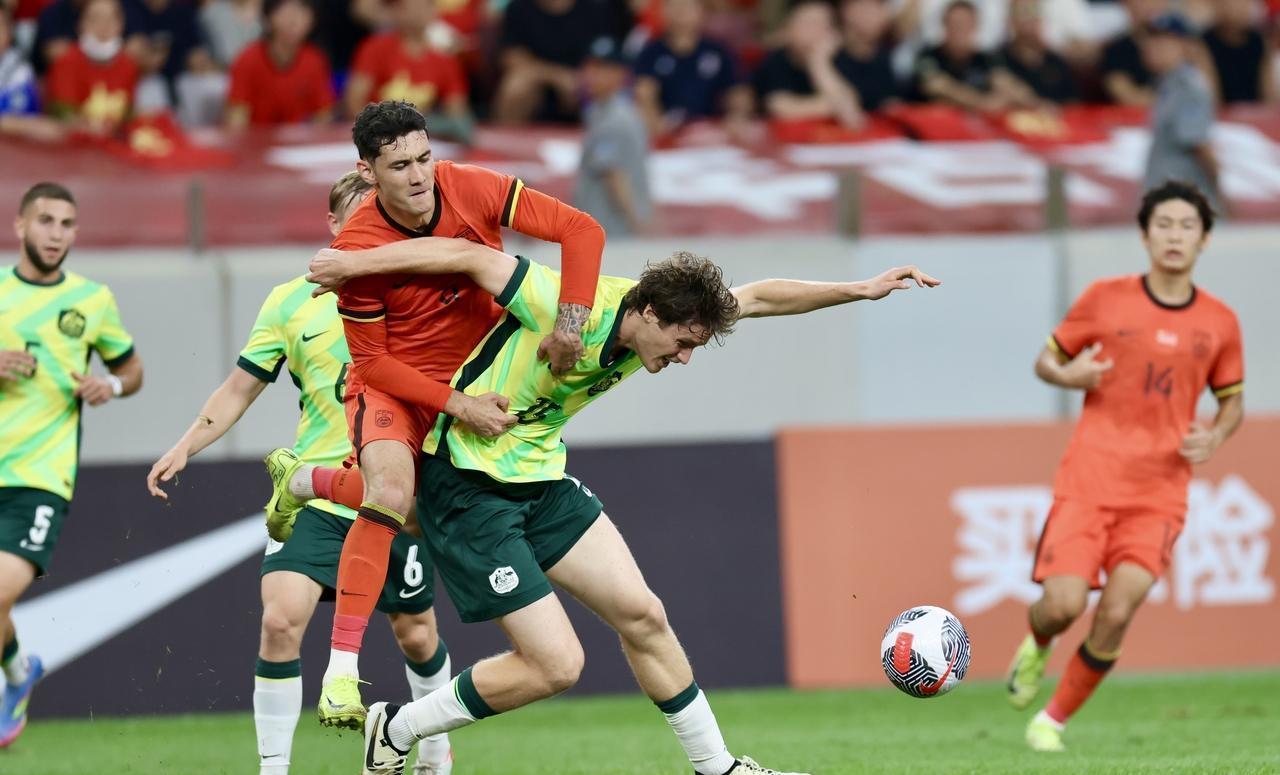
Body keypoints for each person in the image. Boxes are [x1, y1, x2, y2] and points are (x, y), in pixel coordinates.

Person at [303, 237, 939, 775]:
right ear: (649, 312)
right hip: (467, 485)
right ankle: (397, 726)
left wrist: (859, 289)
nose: (685, 357)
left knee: (644, 615)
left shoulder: (663, 321)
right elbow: (467, 256)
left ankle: (717, 767)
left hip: (540, 481)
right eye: (683, 343)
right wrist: (353, 264)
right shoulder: (563, 304)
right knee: (557, 666)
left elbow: (761, 296)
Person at [259, 100, 604, 731]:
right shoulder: (353, 251)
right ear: (367, 173)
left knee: (425, 513)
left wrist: (571, 324)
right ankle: (341, 674)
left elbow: (582, 230)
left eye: (425, 157)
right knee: (391, 494)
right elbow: (374, 365)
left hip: (479, 376)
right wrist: (460, 406)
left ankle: (309, 481)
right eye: (400, 166)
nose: (420, 176)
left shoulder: (471, 186)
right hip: (399, 388)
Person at [145, 173, 454, 775]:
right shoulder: (290, 303)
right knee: (280, 620)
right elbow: (239, 388)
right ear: (334, 225)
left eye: (380, 212)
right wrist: (186, 444)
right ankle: (273, 770)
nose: (370, 223)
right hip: (318, 492)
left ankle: (437, 753)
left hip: (394, 492)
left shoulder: (421, 288)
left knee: (417, 633)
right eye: (357, 214)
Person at [1006, 180, 1244, 753]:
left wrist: (1216, 435)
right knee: (1063, 606)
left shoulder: (1219, 322)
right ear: (1144, 234)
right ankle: (1038, 642)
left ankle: (1052, 721)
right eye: (1164, 225)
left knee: (1117, 612)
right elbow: (1046, 361)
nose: (1174, 236)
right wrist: (1069, 376)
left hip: (1159, 493)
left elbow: (1233, 401)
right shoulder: (1104, 299)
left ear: (1205, 240)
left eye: (1187, 226)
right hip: (1089, 481)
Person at [0, 181, 144, 747]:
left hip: (40, 477)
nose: (56, 234)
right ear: (20, 225)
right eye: (46, 221)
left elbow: (132, 370)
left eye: (66, 224)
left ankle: (16, 676)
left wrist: (111, 385)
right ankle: (19, 671)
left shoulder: (91, 300)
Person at [344, 0, 472, 142]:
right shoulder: (375, 48)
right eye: (412, 5)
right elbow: (354, 103)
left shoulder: (445, 59)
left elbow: (457, 113)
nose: (419, 12)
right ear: (397, 11)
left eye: (426, 5)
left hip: (419, 138)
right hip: (377, 136)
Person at [632, 0, 752, 139]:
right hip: (668, 129)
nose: (681, 12)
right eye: (675, 6)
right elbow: (645, 95)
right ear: (664, 12)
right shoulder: (651, 52)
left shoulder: (718, 50)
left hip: (712, 131)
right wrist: (656, 124)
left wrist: (737, 116)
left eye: (688, 7)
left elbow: (738, 91)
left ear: (701, 11)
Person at [1142, 13, 1222, 212]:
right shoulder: (1167, 85)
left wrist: (1220, 195)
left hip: (1185, 203)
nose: (1154, 47)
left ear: (1186, 46)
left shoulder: (1189, 88)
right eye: (1152, 40)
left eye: (1165, 42)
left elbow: (1200, 146)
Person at [574, 36, 651, 237]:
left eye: (601, 68)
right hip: (608, 231)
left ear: (621, 74)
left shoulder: (615, 118)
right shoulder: (600, 112)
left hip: (613, 233)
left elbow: (615, 177)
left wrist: (640, 228)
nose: (591, 75)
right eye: (589, 67)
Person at [752, 0, 864, 129]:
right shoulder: (776, 61)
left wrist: (819, 63)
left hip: (833, 137)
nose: (816, 30)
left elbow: (852, 117)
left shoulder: (842, 58)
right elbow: (781, 109)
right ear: (788, 27)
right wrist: (833, 105)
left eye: (824, 24)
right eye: (809, 23)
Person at [224, 0, 334, 128]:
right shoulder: (248, 59)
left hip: (298, 137)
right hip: (256, 136)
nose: (294, 20)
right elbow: (236, 120)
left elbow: (324, 116)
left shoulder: (315, 61)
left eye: (303, 12)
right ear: (269, 16)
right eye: (287, 11)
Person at [44, 0, 138, 133]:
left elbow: (128, 116)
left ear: (121, 25)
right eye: (95, 19)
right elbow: (62, 116)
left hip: (114, 139)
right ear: (80, 25)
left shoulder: (128, 65)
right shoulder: (65, 62)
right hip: (73, 139)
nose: (104, 27)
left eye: (111, 19)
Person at [1202, 0, 1274, 104]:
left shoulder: (1260, 41)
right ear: (1217, 5)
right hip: (1223, 112)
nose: (1241, 7)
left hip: (1256, 110)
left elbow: (1269, 94)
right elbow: (1212, 98)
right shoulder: (1204, 43)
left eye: (1245, 2)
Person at [1100, 0, 1165, 107]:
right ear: (1127, 4)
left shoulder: (1183, 43)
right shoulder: (1117, 50)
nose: (1150, 5)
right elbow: (1127, 96)